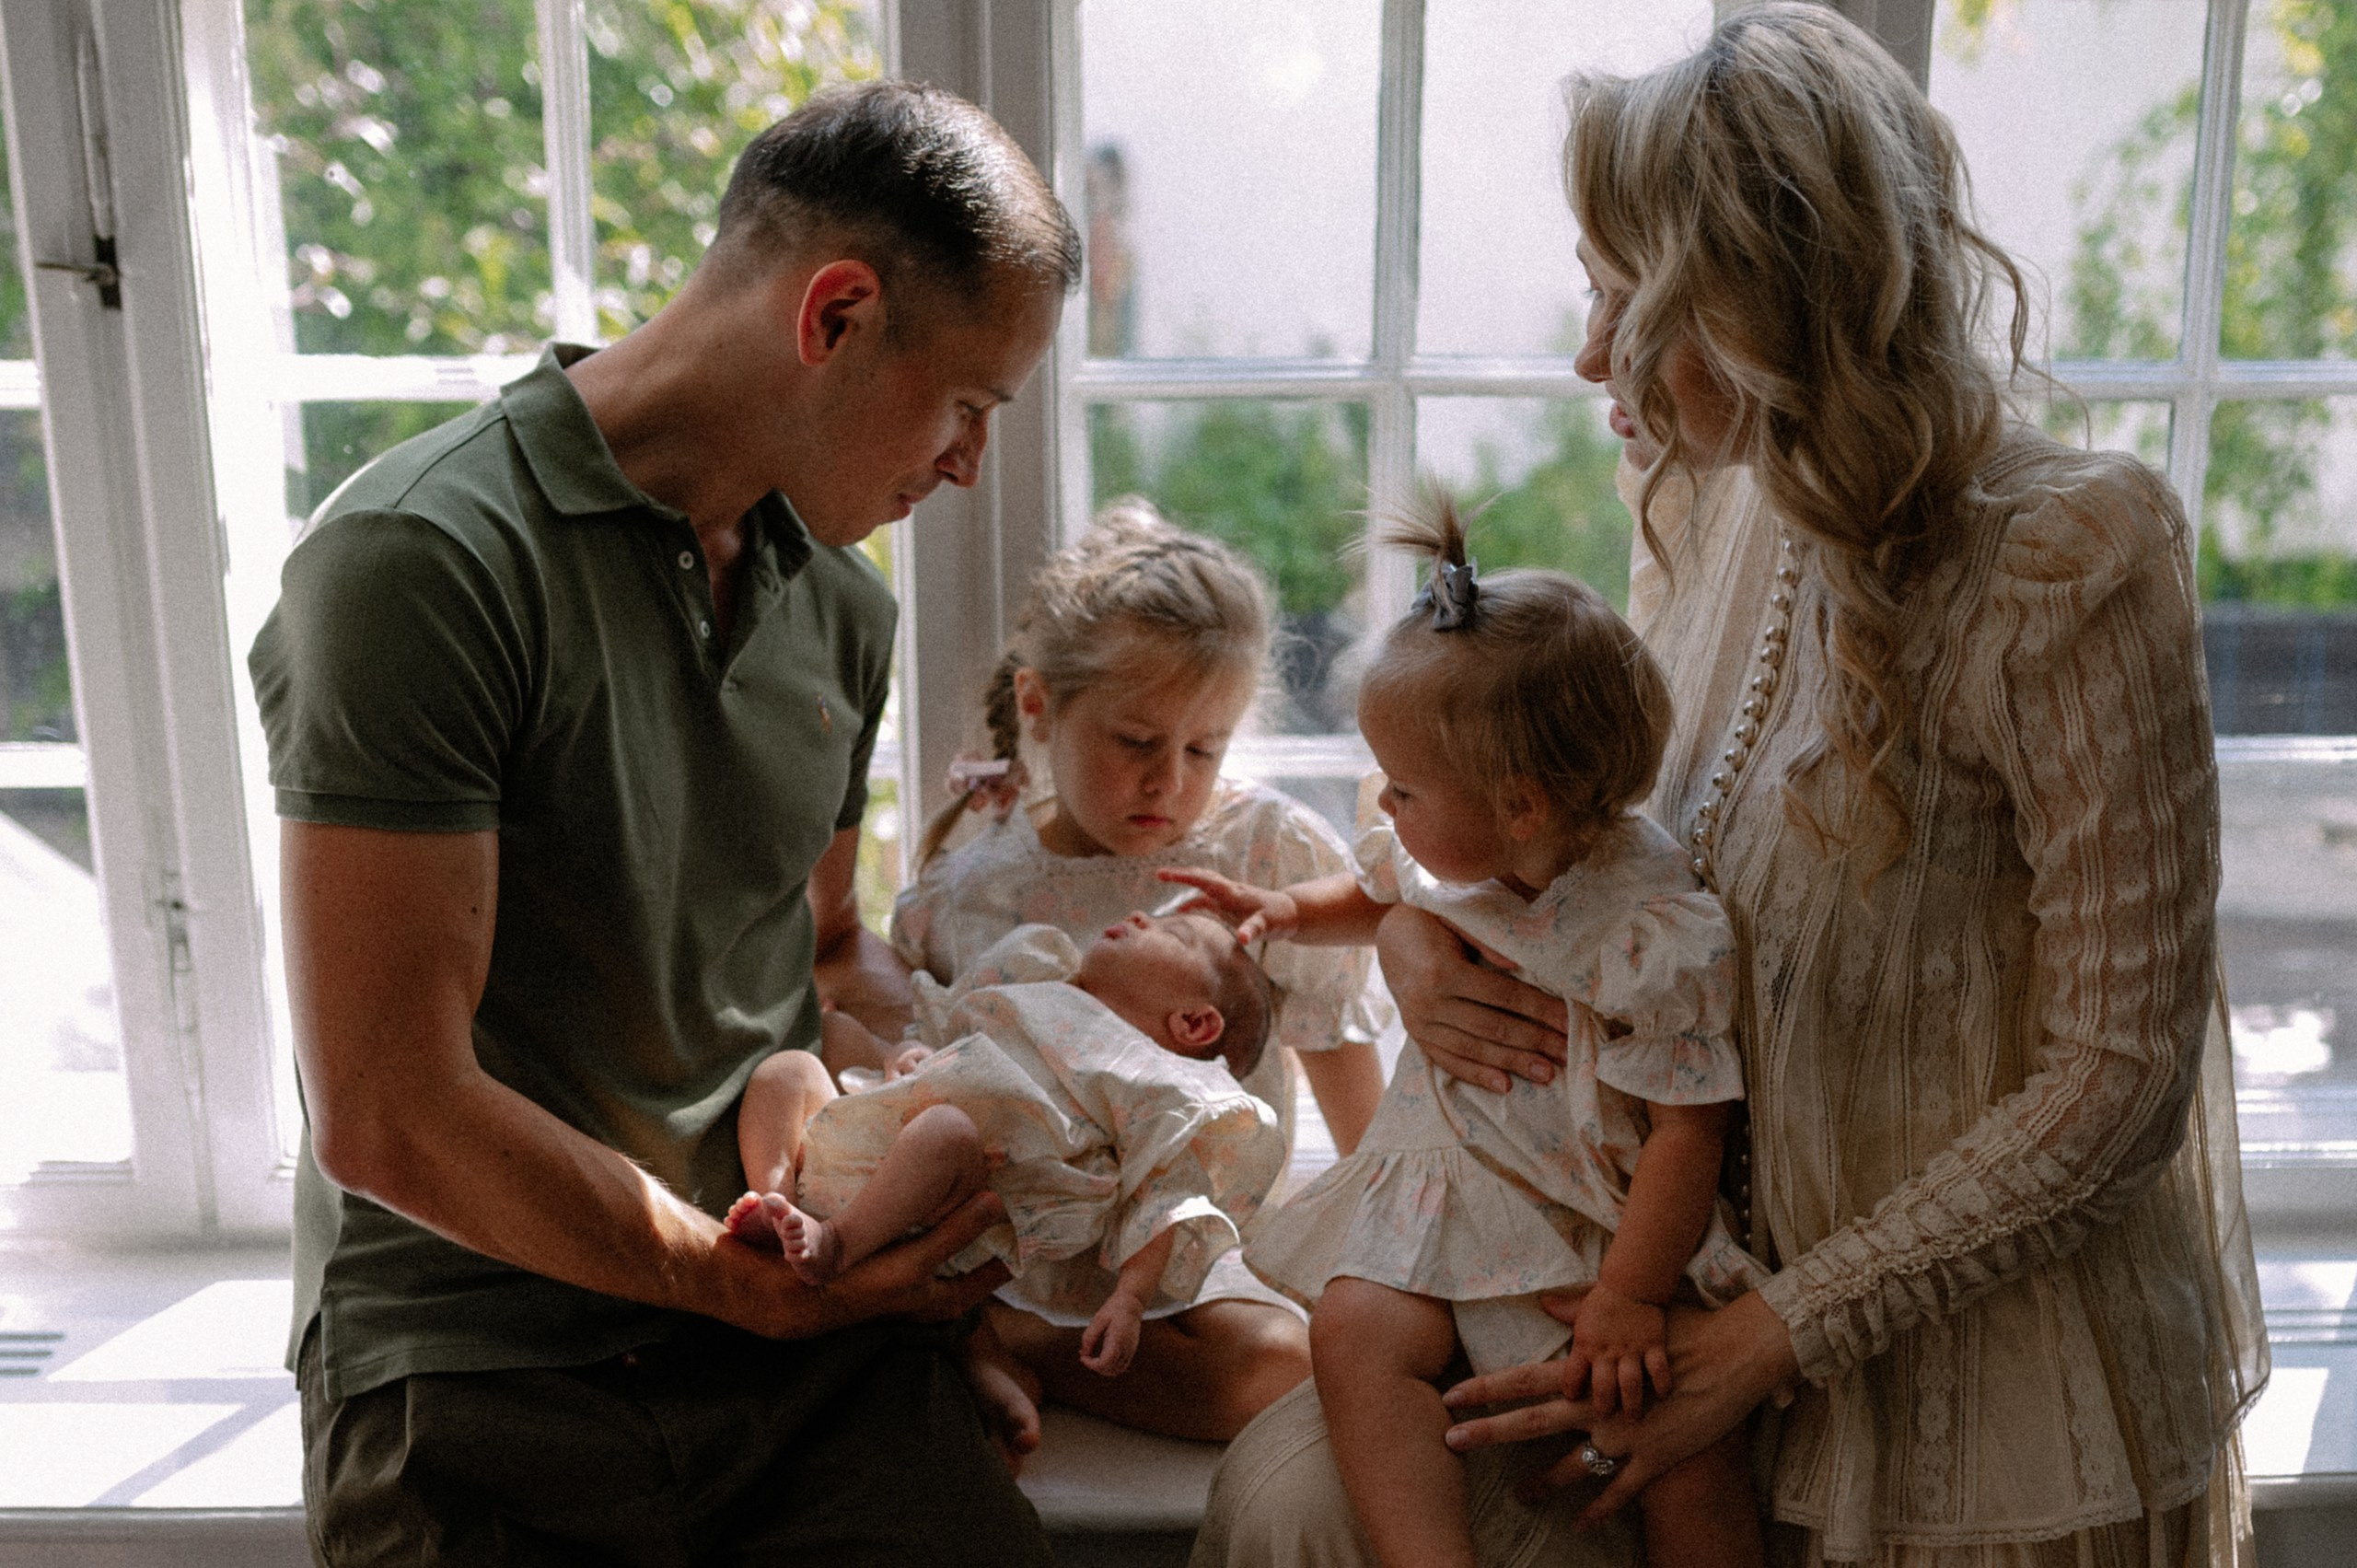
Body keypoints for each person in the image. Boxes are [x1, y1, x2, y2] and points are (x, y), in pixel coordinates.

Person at [1190, 7, 2266, 1568]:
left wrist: (1768, 1335)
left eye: (1623, 299)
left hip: (1971, 1416)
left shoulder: (2067, 556)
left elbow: (2120, 1079)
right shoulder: (1707, 487)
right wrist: (1420, 935)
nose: (1587, 353)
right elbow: (1548, 803)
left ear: (1762, 302)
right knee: (1294, 1495)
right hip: (1670, 1334)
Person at [250, 80, 1081, 1566]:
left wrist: (973, 1134)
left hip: (794, 1342)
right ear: (835, 314)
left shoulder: (843, 606)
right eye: (970, 404)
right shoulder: (416, 562)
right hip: (474, 1356)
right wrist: (725, 1276)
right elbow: (387, 1109)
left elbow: (815, 950)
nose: (969, 462)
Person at [1170, 503, 1766, 1568]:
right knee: (1352, 1327)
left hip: (1591, 1234)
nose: (1385, 805)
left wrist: (1630, 1295)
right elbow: (1380, 889)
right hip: (1444, 1206)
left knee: (1687, 1457)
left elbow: (1690, 1128)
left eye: (1402, 788)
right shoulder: (1471, 846)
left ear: (1522, 805)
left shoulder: (1644, 928)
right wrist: (1286, 910)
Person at [885, 500, 1392, 1439]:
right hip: (1030, 1249)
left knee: (1285, 1365)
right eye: (1136, 742)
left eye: (1204, 748)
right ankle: (1003, 1326)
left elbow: (1350, 1088)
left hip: (1195, 1246)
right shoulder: (972, 895)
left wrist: (1390, 1260)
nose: (1170, 782)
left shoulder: (1265, 855)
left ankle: (1028, 1349)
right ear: (1038, 706)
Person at [726, 914, 1280, 1447]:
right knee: (802, 1057)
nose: (1141, 918)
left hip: (951, 1183)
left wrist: (1130, 1299)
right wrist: (904, 1052)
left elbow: (1163, 1196)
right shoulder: (1039, 978)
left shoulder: (1155, 1081)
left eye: (1173, 934)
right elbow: (944, 1029)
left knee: (946, 1131)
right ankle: (779, 1203)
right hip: (878, 1117)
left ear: (1194, 1023)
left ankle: (837, 1242)